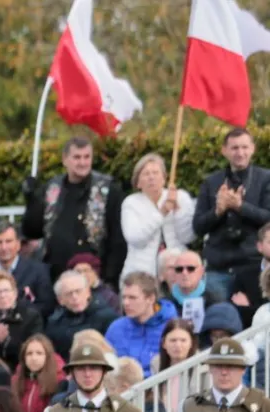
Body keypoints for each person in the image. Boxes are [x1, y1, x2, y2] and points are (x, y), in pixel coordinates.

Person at [23, 136, 127, 284]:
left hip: (93, 275)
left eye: (87, 157)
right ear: (65, 159)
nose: (83, 162)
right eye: (77, 157)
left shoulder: (109, 190)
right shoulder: (51, 188)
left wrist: (109, 277)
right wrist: (31, 200)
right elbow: (32, 231)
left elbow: (118, 238)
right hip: (56, 274)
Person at [37, 342, 150, 412]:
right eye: (81, 368)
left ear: (104, 371)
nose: (87, 374)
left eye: (94, 368)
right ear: (72, 373)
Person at [193, 127, 270, 295]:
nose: (240, 153)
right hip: (218, 268)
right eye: (234, 148)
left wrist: (241, 207)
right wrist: (218, 211)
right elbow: (198, 227)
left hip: (254, 267)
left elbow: (268, 217)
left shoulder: (266, 179)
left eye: (244, 147)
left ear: (253, 149)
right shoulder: (210, 182)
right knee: (219, 318)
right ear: (224, 151)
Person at [166, 337, 270, 412]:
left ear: (243, 369)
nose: (224, 372)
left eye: (231, 366)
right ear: (210, 368)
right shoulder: (189, 406)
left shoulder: (263, 406)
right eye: (218, 366)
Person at [122, 153, 196, 280]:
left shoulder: (180, 197)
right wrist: (161, 213)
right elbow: (135, 238)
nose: (151, 177)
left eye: (155, 173)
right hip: (142, 273)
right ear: (138, 183)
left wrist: (178, 211)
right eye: (146, 174)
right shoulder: (131, 203)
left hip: (178, 270)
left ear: (164, 178)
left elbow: (188, 237)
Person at [105, 272, 176, 377]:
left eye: (132, 298)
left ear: (151, 299)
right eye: (124, 297)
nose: (126, 303)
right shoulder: (116, 328)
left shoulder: (171, 327)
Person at [0, 270, 42, 370]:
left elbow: (35, 349)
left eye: (6, 290)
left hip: (21, 370)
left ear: (15, 293)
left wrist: (7, 341)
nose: (3, 296)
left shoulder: (31, 317)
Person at [0, 221, 57, 317]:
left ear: (18, 244)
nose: (4, 247)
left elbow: (46, 306)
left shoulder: (39, 271)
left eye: (9, 241)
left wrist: (15, 311)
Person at [46, 269, 118, 360]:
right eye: (69, 294)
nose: (75, 297)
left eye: (78, 291)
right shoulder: (54, 323)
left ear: (88, 292)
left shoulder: (108, 317)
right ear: (60, 300)